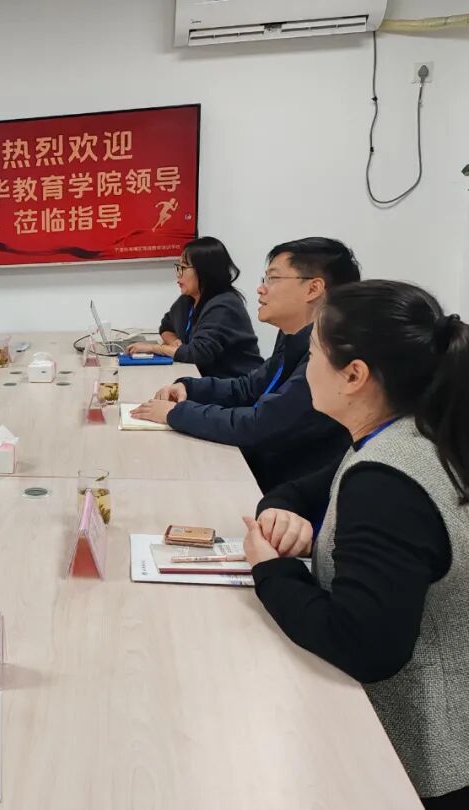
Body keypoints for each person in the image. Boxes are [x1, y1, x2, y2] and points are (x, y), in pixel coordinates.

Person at [241, 281, 469, 808]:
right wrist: (281, 512)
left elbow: (363, 646)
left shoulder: (387, 480)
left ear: (354, 375)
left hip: (423, 761)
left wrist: (271, 570)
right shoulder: (405, 434)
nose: (306, 371)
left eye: (314, 356)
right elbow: (304, 490)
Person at [131, 237, 359, 492]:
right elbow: (249, 387)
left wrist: (176, 413)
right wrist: (190, 388)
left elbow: (259, 425)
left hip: (280, 489)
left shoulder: (328, 356)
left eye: (273, 279)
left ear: (313, 288)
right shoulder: (293, 337)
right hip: (259, 465)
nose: (260, 289)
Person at [125, 236, 262, 378]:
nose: (178, 275)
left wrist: (155, 348)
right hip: (204, 379)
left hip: (235, 384)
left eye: (183, 268)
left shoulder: (224, 305)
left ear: (205, 270)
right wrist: (174, 343)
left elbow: (198, 354)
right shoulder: (187, 300)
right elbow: (166, 327)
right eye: (178, 267)